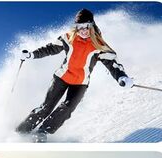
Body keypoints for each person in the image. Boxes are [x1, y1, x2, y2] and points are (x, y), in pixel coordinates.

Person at [16, 8, 134, 142]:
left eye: (86, 26)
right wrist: (32, 54)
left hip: (80, 83)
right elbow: (50, 49)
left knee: (67, 108)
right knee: (46, 107)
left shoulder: (99, 45)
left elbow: (112, 63)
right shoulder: (68, 38)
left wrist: (121, 77)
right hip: (62, 77)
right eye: (79, 27)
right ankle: (22, 130)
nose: (83, 30)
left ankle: (43, 131)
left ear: (92, 26)